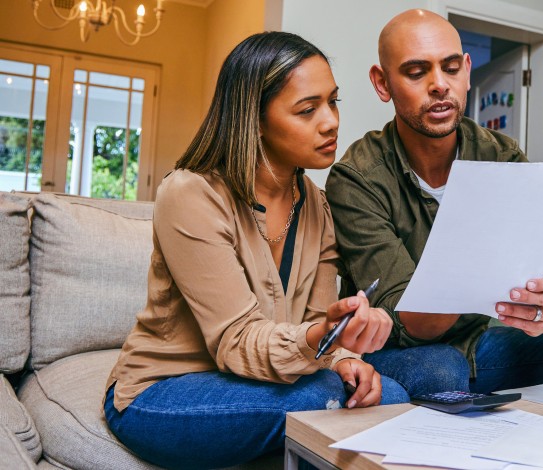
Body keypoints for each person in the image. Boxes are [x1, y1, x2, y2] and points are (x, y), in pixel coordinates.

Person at [103, 32, 409, 469]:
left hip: (263, 377)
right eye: (307, 109)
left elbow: (317, 322)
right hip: (164, 391)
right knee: (355, 400)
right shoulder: (191, 194)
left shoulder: (318, 205)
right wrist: (321, 339)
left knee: (378, 390)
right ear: (255, 118)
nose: (330, 122)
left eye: (333, 102)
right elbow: (237, 341)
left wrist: (342, 353)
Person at [325, 10, 543, 398]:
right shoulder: (357, 177)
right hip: (399, 350)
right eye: (417, 73)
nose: (440, 85)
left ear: (467, 70)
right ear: (382, 83)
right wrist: (471, 271)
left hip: (479, 342)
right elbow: (406, 320)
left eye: (451, 68)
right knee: (440, 369)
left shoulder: (501, 156)